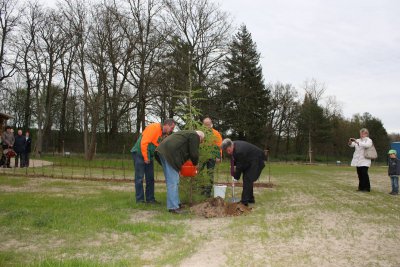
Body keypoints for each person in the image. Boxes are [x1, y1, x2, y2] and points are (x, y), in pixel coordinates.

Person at [156, 130, 205, 214]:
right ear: (200, 137)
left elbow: (181, 152)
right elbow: (194, 154)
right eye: (200, 141)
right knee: (173, 182)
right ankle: (173, 208)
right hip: (169, 154)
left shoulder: (186, 134)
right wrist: (195, 164)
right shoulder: (194, 135)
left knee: (174, 181)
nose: (198, 143)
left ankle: (177, 203)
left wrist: (178, 169)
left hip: (163, 152)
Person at [130, 119, 175, 204]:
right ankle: (140, 200)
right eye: (171, 128)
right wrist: (146, 158)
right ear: (166, 125)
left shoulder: (164, 135)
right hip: (139, 153)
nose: (172, 130)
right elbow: (144, 143)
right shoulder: (154, 127)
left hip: (149, 156)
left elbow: (159, 150)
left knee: (150, 178)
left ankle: (150, 199)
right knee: (139, 178)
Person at [221, 138, 265, 206]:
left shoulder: (239, 151)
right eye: (227, 151)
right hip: (248, 161)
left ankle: (244, 202)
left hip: (256, 160)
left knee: (247, 179)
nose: (228, 152)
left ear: (231, 146)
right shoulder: (234, 146)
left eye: (228, 150)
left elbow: (240, 166)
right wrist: (233, 171)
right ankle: (251, 200)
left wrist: (236, 177)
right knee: (247, 179)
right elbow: (235, 161)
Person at [201, 117, 223, 197]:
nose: (207, 126)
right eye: (205, 124)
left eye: (208, 124)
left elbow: (219, 145)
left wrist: (218, 156)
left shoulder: (216, 133)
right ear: (203, 124)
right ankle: (201, 189)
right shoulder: (200, 132)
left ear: (211, 124)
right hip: (202, 156)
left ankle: (208, 191)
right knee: (199, 172)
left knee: (210, 173)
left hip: (212, 156)